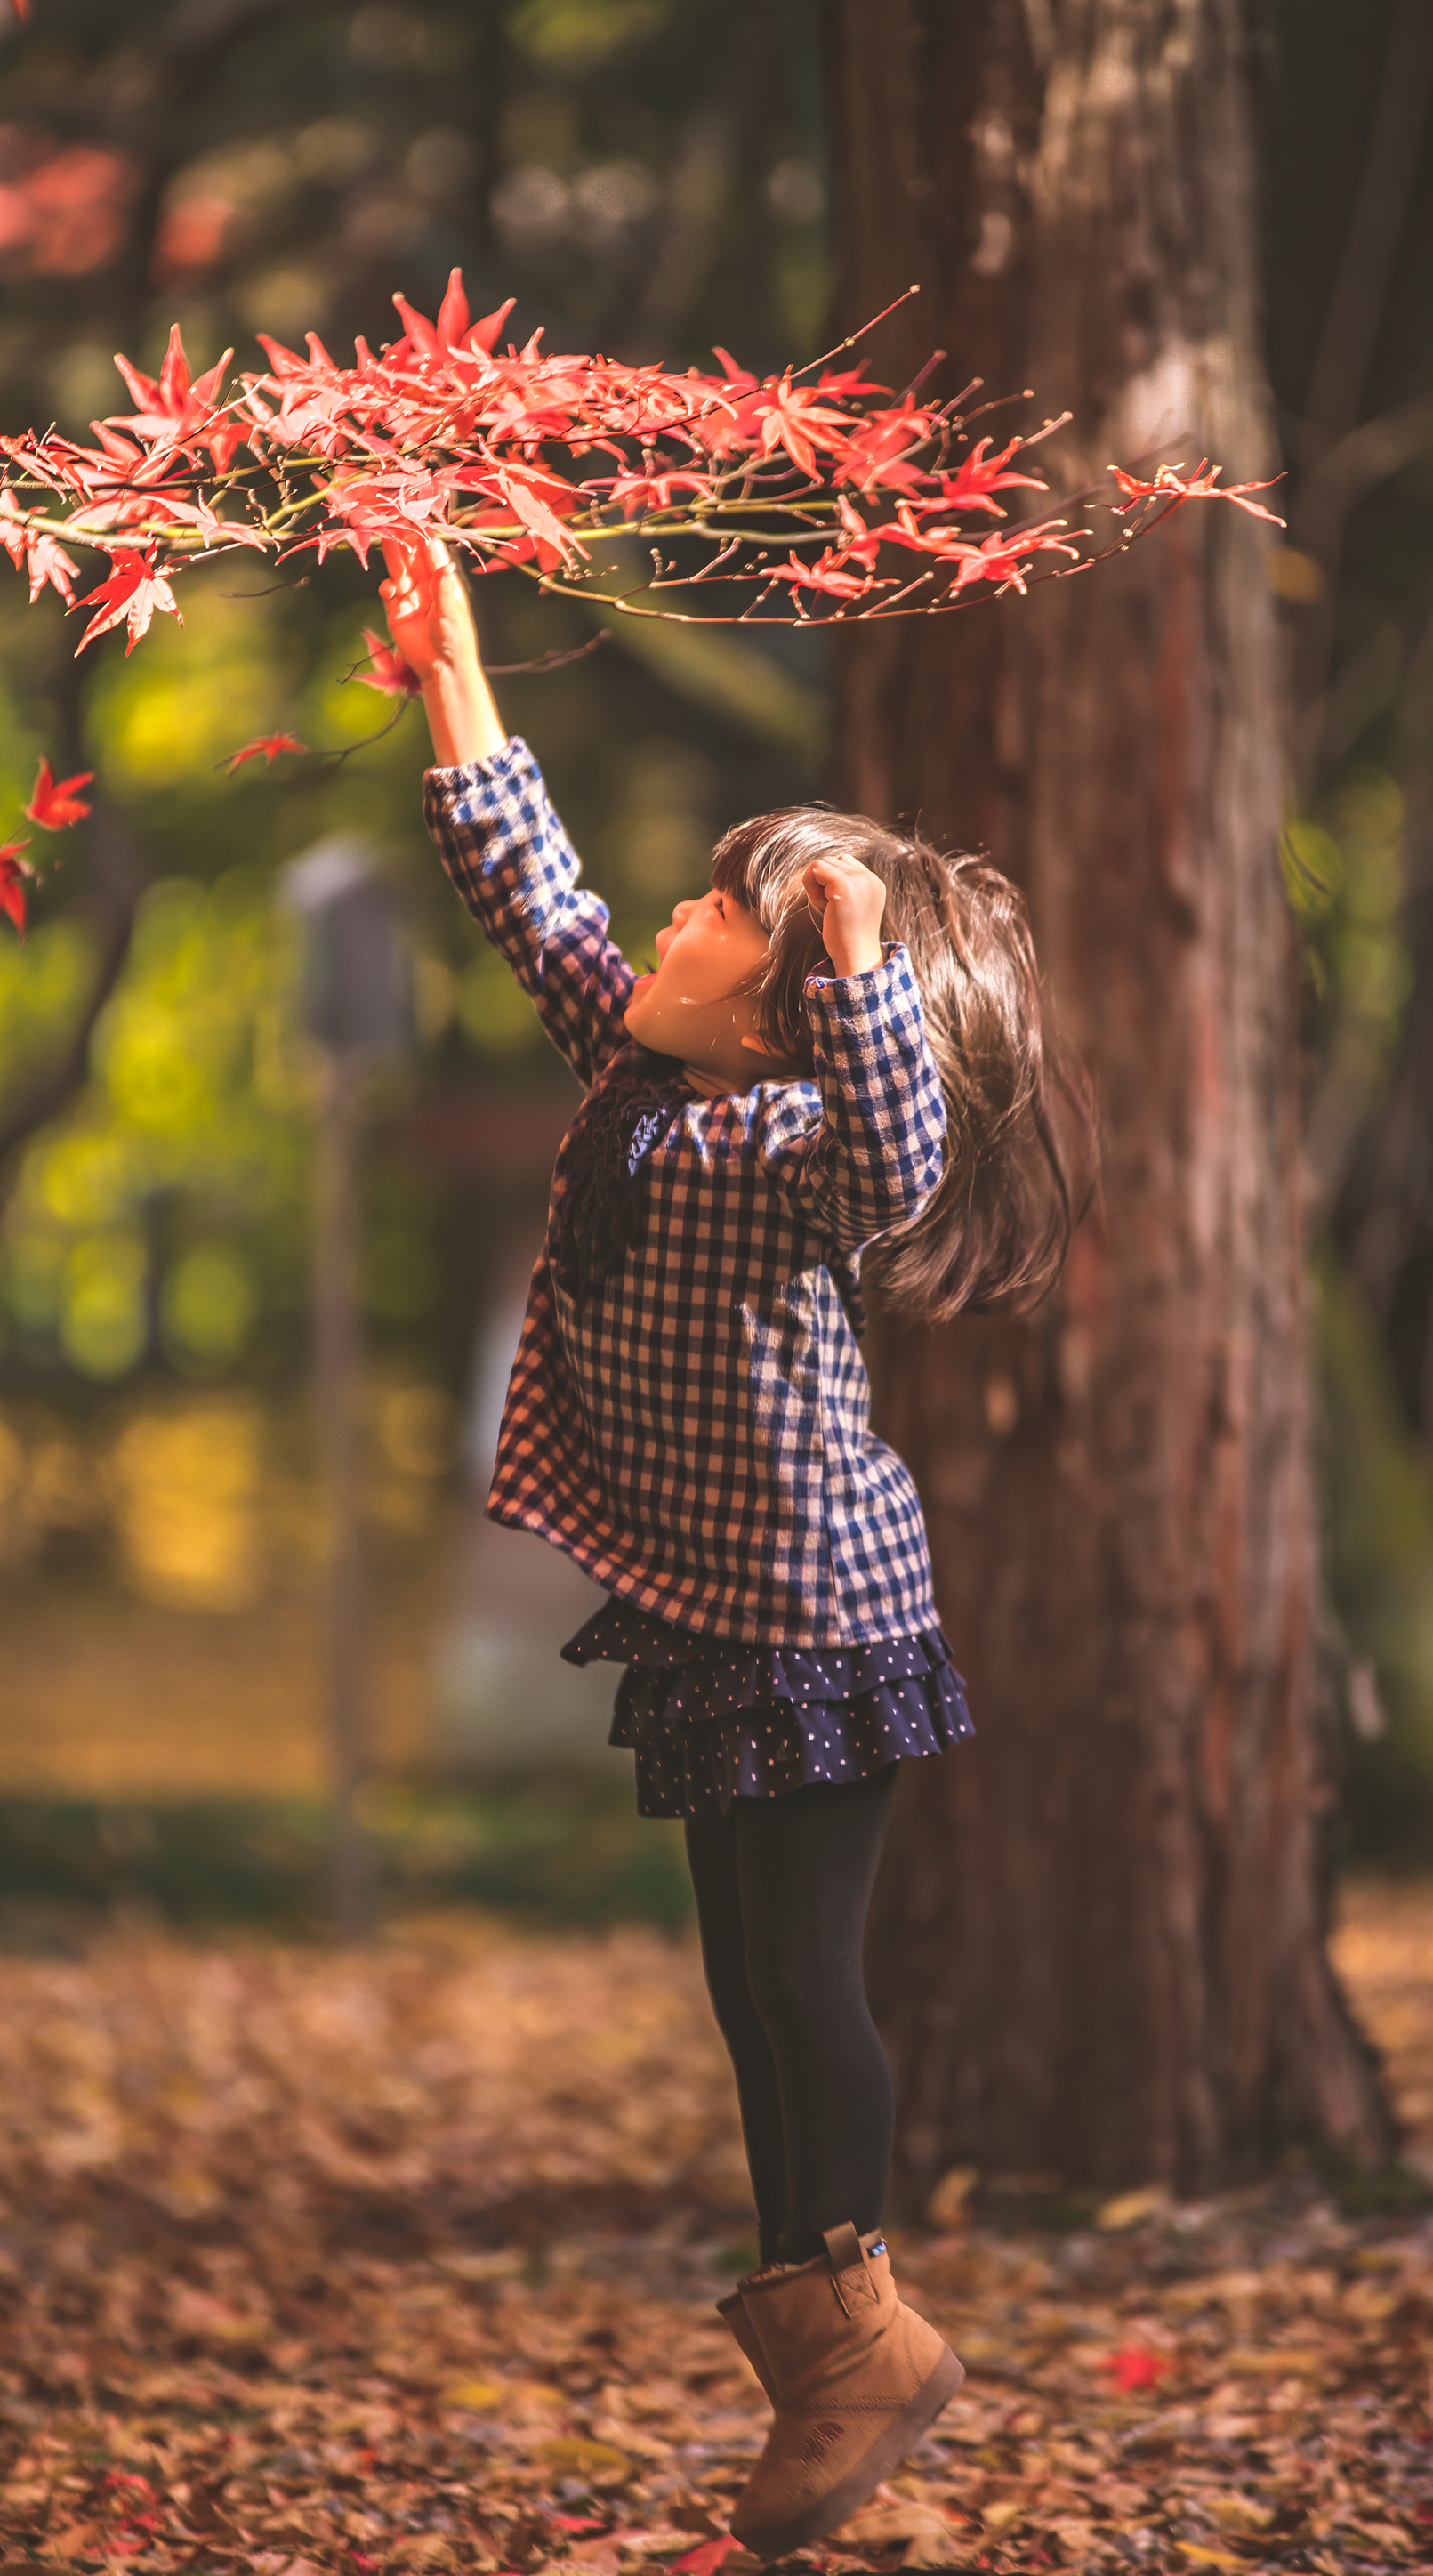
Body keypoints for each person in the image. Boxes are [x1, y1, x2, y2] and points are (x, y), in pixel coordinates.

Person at [382, 536, 1089, 2558]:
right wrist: (448, 667)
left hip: (823, 1619)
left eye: (714, 913)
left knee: (799, 1966)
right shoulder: (636, 1079)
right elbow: (530, 887)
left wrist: (859, 962)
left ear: (773, 1017)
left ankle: (857, 2321)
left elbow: (897, 1153)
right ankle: (821, 2342)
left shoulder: (794, 1149)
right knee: (737, 1982)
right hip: (706, 1603)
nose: (670, 918)